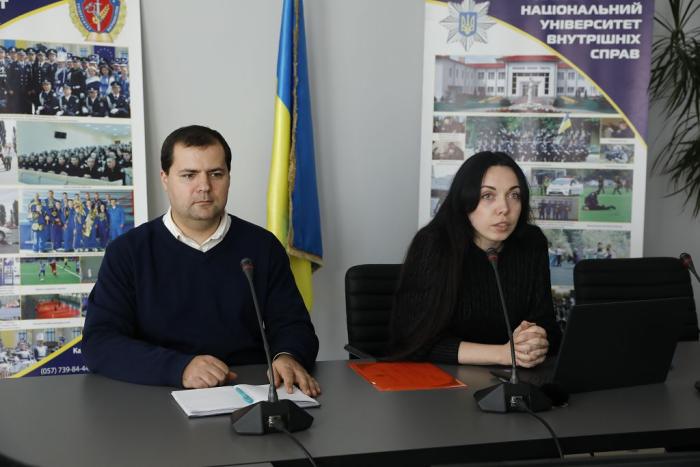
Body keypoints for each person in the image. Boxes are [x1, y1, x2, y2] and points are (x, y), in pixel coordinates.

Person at [82, 125, 320, 394]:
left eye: (216, 174)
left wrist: (287, 355)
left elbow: (294, 326)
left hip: (250, 390)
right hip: (157, 393)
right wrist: (178, 368)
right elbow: (99, 342)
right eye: (189, 175)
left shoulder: (263, 247)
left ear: (228, 177)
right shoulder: (128, 252)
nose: (204, 187)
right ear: (165, 179)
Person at [389, 151, 561, 367]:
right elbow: (413, 342)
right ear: (465, 200)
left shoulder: (531, 242)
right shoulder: (434, 244)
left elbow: (548, 327)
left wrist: (536, 341)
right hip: (445, 379)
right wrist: (503, 354)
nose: (504, 209)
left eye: (514, 195)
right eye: (488, 196)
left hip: (514, 377)